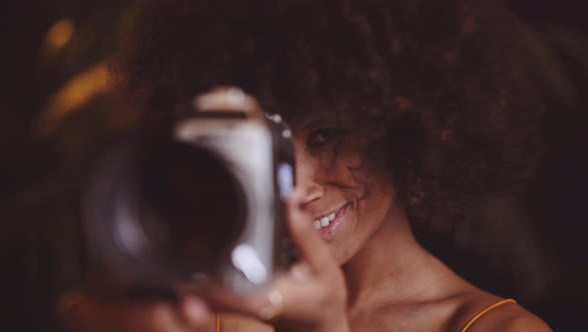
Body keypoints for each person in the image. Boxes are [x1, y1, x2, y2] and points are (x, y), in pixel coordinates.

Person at [60, 0, 553, 331]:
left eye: (327, 136)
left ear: (408, 128)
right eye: (265, 142)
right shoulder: (188, 310)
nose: (294, 185)